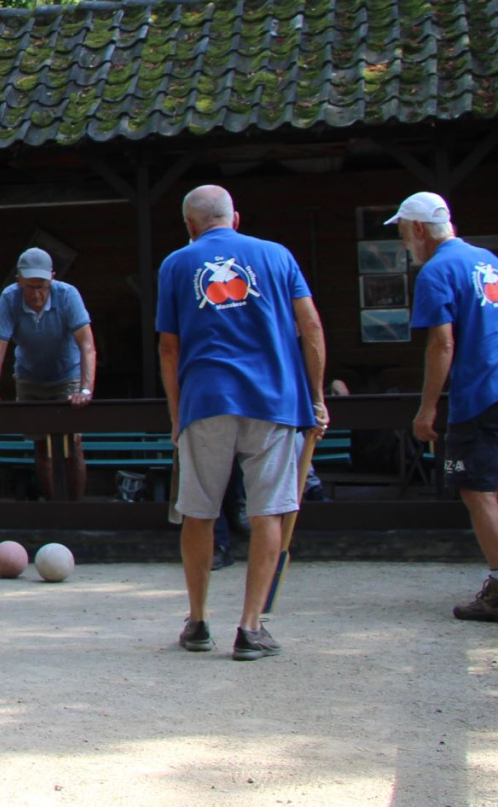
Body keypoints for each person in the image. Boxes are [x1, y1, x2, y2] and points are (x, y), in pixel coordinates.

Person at [157, 185, 328, 662]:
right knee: (268, 511)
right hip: (273, 399)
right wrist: (315, 397)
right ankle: (251, 627)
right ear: (236, 217)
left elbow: (169, 348)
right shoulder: (277, 256)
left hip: (206, 399)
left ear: (190, 226)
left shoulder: (176, 263)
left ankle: (198, 621)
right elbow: (310, 327)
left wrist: (176, 414)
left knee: (199, 512)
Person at [397, 190, 498, 622]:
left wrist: (427, 409)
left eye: (405, 231)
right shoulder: (489, 260)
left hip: (485, 387)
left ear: (420, 229)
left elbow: (442, 343)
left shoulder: (435, 271)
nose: (404, 241)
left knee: (477, 491)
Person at [0, 246, 96, 501]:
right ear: (19, 280)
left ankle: (77, 508)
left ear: (52, 278)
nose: (37, 294)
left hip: (67, 373)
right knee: (41, 444)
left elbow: (87, 345)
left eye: (42, 286)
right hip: (30, 376)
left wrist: (85, 390)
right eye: (30, 287)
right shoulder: (9, 298)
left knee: (73, 443)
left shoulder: (67, 295)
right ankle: (52, 506)